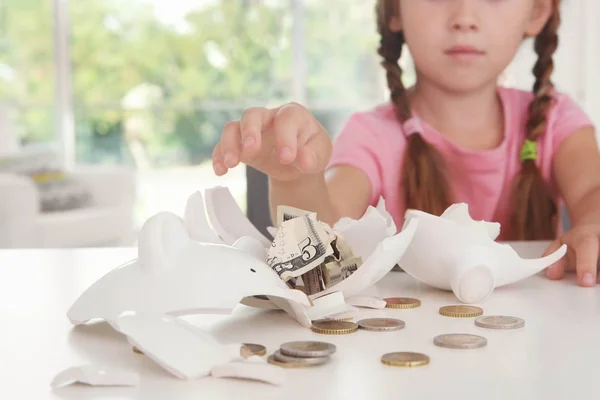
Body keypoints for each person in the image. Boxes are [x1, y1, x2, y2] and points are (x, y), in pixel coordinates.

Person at [211, 0, 600, 287]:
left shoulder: (556, 121)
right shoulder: (373, 135)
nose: (464, 17)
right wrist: (295, 181)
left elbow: (592, 192)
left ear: (536, 11)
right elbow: (324, 253)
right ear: (394, 9)